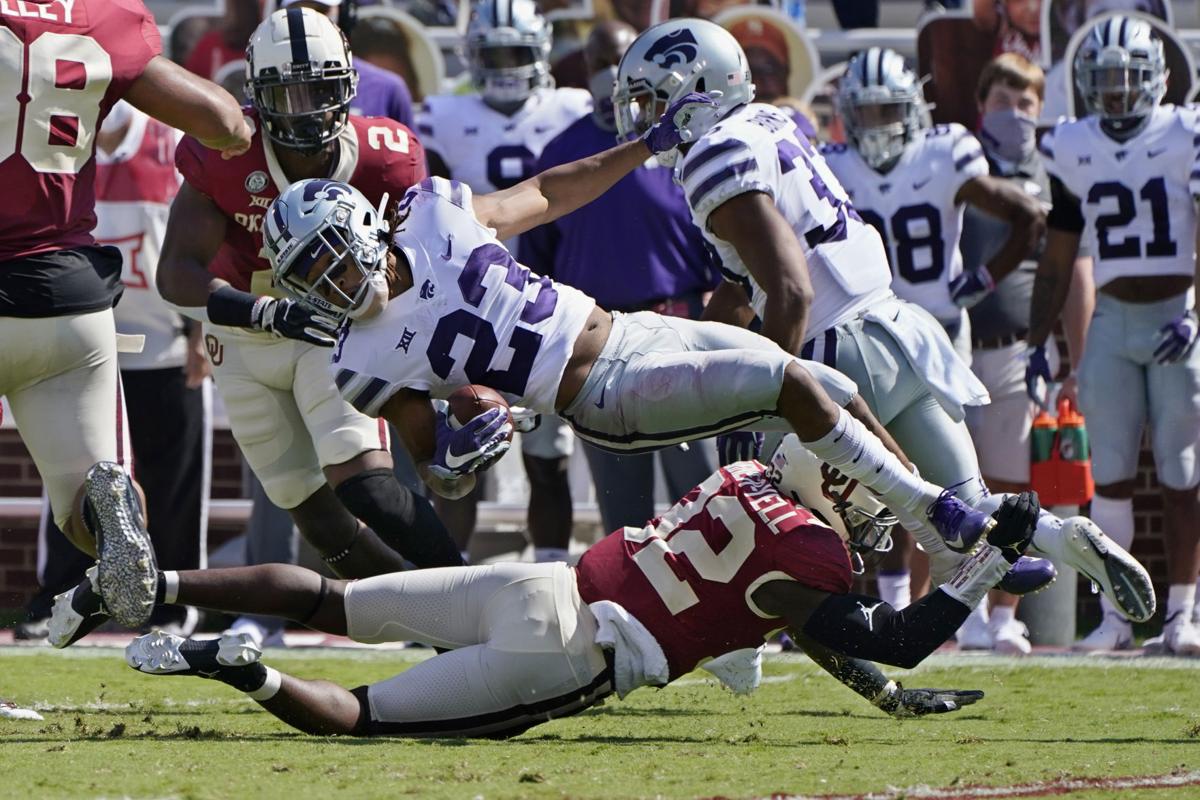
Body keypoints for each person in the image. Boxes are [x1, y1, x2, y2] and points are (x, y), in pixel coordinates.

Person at [259, 97, 1154, 629]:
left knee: (830, 386)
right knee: (793, 381)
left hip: (630, 328)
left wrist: (646, 146)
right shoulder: (359, 359)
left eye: (337, 254)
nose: (339, 281)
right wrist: (459, 457)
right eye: (316, 277)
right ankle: (939, 524)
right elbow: (437, 477)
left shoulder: (433, 211)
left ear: (367, 226)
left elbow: (548, 192)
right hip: (600, 392)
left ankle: (943, 527)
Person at [119, 466, 1138, 738]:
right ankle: (247, 666)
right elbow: (901, 640)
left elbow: (804, 622)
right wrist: (979, 566)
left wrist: (882, 693)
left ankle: (172, 592)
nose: (875, 527)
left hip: (539, 577)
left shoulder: (747, 484)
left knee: (340, 600)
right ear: (841, 492)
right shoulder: (817, 554)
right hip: (569, 650)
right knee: (369, 713)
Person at [45, 7, 460, 653]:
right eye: (287, 92)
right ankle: (441, 630)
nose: (304, 108)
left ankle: (470, 599)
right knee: (320, 521)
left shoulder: (387, 158)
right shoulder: (224, 152)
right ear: (256, 95)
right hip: (243, 340)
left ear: (347, 85)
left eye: (319, 88)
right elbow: (178, 274)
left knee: (370, 486)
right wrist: (264, 311)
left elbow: (427, 261)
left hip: (331, 332)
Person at [612, 22, 1052, 619]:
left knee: (769, 516)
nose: (646, 118)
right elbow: (743, 284)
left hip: (828, 346)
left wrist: (759, 394)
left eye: (655, 100)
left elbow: (788, 290)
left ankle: (745, 636)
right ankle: (1010, 549)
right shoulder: (768, 123)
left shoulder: (714, 155)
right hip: (893, 325)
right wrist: (690, 355)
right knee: (941, 502)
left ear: (699, 89)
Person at [0, 0, 251, 630]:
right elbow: (225, 122)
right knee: (87, 485)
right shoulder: (103, 16)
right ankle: (103, 506)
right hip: (66, 300)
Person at [820, 46, 1044, 650]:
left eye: (889, 111)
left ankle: (967, 597)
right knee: (880, 468)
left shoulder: (945, 152)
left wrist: (986, 276)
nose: (877, 127)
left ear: (915, 108)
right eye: (864, 115)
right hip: (869, 332)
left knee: (945, 469)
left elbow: (1028, 215)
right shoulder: (830, 162)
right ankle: (899, 600)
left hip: (936, 332)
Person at [1027, 16, 1200, 655]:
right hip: (1112, 322)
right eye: (1106, 81)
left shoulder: (1186, 132)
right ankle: (1118, 618)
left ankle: (1183, 613)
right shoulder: (1074, 144)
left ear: (1155, 79)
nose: (1119, 93)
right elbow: (1059, 248)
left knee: (1184, 473)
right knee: (1112, 479)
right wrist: (1035, 339)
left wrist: (1197, 313)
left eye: (1129, 80)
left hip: (1176, 317)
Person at [19, 101, 212, 639]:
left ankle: (175, 604)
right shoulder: (48, 140)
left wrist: (200, 327)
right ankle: (56, 597)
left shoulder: (175, 144)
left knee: (174, 485)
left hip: (163, 341)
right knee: (71, 474)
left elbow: (202, 241)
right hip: (82, 343)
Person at [518, 20, 717, 533]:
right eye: (600, 59)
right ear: (585, 67)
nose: (611, 71)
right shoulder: (562, 149)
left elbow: (720, 248)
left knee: (702, 504)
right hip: (598, 344)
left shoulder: (688, 144)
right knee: (623, 518)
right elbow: (537, 260)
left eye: (621, 57)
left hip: (680, 333)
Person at [415, 0, 592, 563]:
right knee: (460, 449)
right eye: (495, 52)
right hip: (467, 306)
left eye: (517, 51)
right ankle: (447, 580)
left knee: (547, 454)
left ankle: (552, 572)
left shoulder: (572, 109)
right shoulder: (441, 115)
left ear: (541, 48)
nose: (507, 64)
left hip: (542, 301)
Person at [959, 54, 1094, 653]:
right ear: (981, 104)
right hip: (954, 343)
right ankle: (959, 607)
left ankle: (1002, 613)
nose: (1014, 113)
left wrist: (1076, 359)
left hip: (1019, 348)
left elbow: (1074, 271)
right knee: (954, 481)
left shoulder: (1053, 170)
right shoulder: (960, 163)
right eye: (1002, 101)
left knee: (1012, 486)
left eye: (1026, 103)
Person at [281, 0, 415, 127]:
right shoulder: (263, 89)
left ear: (345, 15)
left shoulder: (389, 89)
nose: (309, 22)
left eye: (320, 12)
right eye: (299, 14)